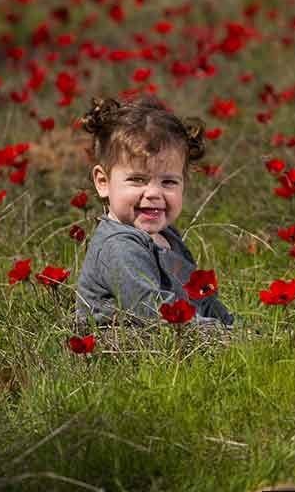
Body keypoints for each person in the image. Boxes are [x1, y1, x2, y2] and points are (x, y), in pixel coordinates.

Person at [75, 97, 234, 328]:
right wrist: (222, 337)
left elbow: (200, 298)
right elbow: (155, 312)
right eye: (137, 179)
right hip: (127, 351)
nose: (154, 193)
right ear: (103, 182)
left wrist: (233, 328)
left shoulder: (167, 235)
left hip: (178, 340)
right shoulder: (119, 247)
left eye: (168, 182)